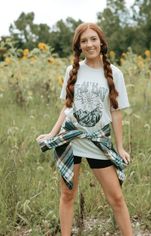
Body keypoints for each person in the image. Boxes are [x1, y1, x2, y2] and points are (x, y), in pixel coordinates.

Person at [36, 22, 133, 236]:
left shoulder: (115, 74)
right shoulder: (73, 70)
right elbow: (67, 107)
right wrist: (53, 134)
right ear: (79, 46)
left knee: (116, 197)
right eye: (84, 41)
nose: (89, 44)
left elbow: (116, 112)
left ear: (101, 42)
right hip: (71, 140)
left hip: (97, 141)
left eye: (93, 39)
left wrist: (120, 146)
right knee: (67, 194)